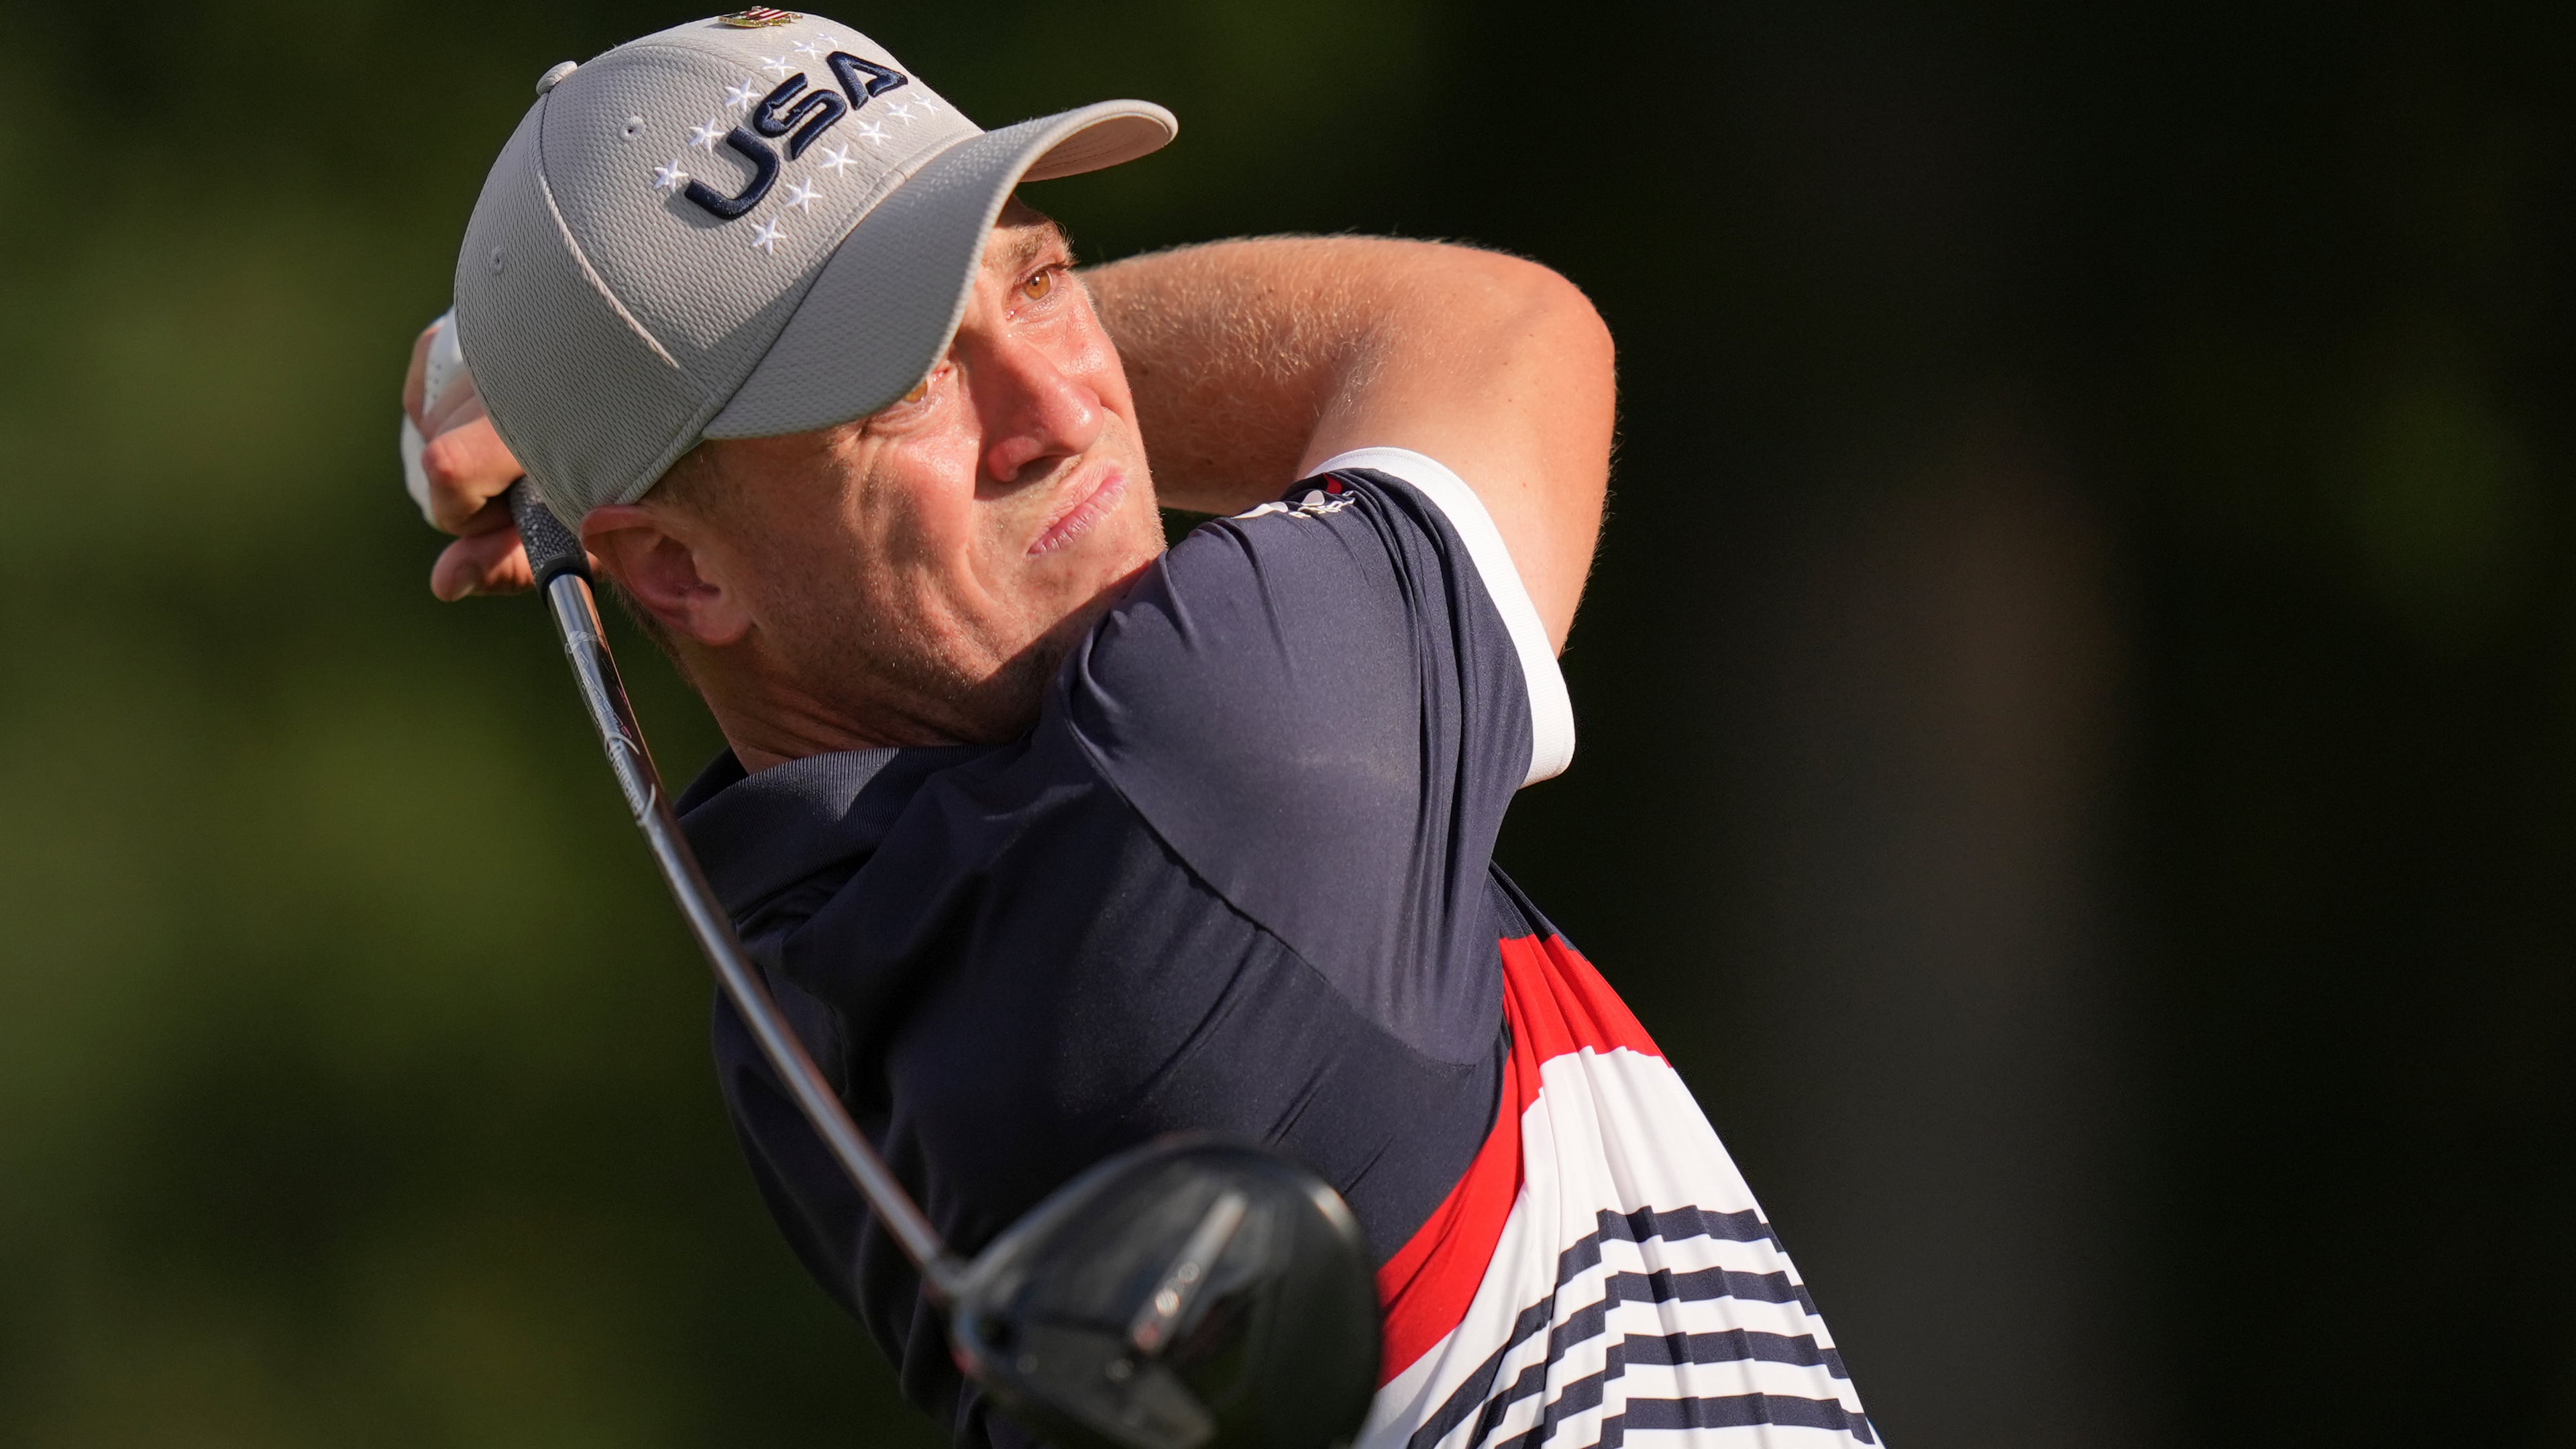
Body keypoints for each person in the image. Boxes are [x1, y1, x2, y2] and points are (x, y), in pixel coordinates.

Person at [405, 12, 1878, 1448]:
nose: (1069, 402)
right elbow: (1496, 332)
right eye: (905, 383)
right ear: (673, 573)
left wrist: (612, 395)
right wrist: (577, 397)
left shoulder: (787, 992)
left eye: (1043, 281)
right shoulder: (1212, 752)